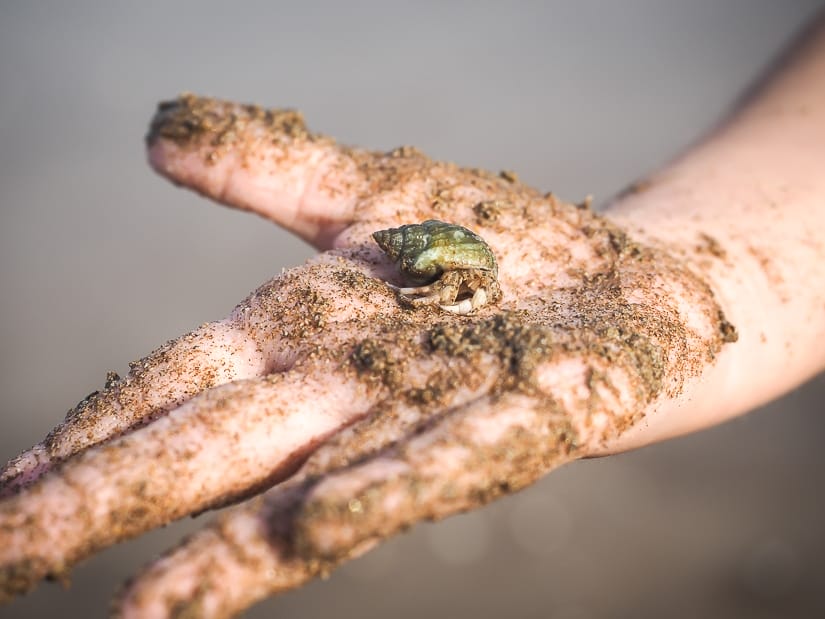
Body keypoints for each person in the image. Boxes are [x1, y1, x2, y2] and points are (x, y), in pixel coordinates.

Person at [1, 12, 824, 619]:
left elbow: (459, 267)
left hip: (474, 264)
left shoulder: (452, 262)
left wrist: (717, 271)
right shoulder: (404, 244)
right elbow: (412, 249)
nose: (394, 262)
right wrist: (725, 240)